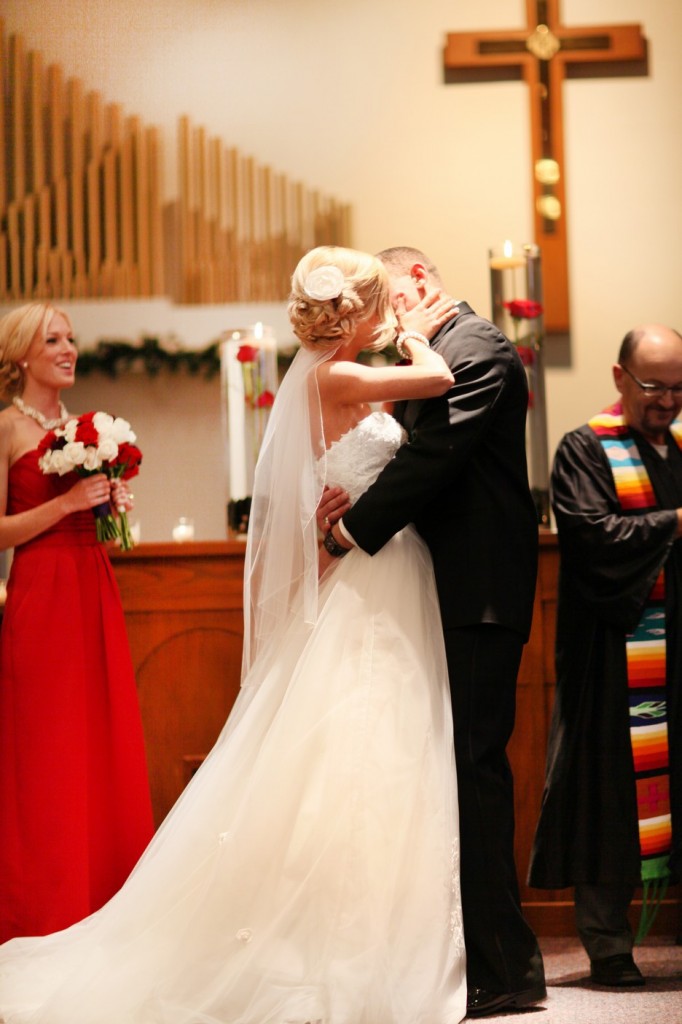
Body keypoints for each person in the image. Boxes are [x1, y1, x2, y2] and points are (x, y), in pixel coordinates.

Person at [0, 247, 468, 1024]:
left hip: (385, 567)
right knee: (355, 751)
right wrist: (417, 331)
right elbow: (438, 379)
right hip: (365, 580)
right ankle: (339, 944)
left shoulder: (334, 378)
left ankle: (382, 933)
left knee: (382, 752)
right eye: (377, 305)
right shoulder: (333, 375)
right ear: (351, 313)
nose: (389, 316)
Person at [318, 246, 546, 1017]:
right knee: (456, 772)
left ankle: (507, 969)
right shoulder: (437, 352)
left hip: (479, 591)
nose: (383, 320)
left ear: (418, 282)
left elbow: (434, 460)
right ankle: (476, 955)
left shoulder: (476, 347)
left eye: (388, 299)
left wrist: (351, 531)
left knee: (476, 772)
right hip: (444, 589)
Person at [528, 324, 682, 986]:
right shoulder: (586, 449)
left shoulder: (679, 450)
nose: (666, 401)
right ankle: (608, 944)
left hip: (673, 653)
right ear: (620, 378)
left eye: (678, 387)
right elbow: (593, 538)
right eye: (653, 385)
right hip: (614, 659)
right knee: (608, 798)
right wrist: (675, 524)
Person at [0, 303, 154, 944]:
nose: (68, 349)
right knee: (47, 752)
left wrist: (108, 505)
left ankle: (106, 902)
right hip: (40, 596)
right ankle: (45, 908)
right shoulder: (7, 428)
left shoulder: (84, 427)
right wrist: (64, 503)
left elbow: (90, 521)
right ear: (20, 356)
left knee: (100, 739)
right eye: (53, 340)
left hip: (93, 585)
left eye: (71, 339)